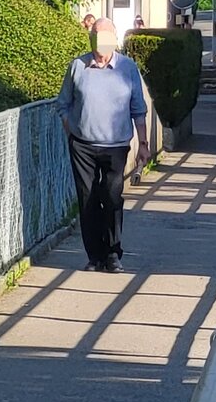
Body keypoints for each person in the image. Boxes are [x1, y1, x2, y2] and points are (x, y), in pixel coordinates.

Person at [56, 17, 149, 273]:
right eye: (96, 35)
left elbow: (138, 109)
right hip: (83, 145)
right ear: (90, 38)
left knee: (111, 196)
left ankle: (113, 253)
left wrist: (143, 143)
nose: (100, 41)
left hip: (116, 145)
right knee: (87, 198)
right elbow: (63, 103)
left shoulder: (127, 69)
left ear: (114, 39)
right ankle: (95, 256)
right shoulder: (78, 66)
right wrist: (70, 128)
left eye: (105, 35)